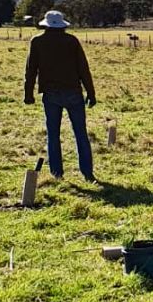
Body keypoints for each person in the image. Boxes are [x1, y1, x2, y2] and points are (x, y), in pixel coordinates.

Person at [23, 10, 97, 182]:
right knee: (80, 134)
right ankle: (87, 173)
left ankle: (57, 174)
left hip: (51, 94)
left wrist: (28, 94)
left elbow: (31, 70)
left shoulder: (37, 42)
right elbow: (83, 69)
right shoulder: (71, 41)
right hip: (73, 92)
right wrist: (91, 93)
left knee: (53, 135)